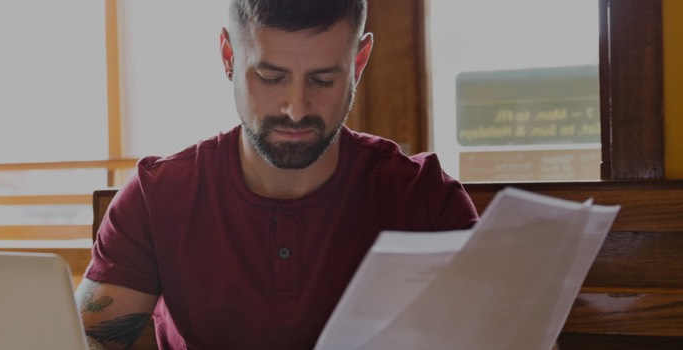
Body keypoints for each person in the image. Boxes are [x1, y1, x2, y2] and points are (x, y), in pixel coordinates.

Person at [77, 0, 479, 349]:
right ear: (228, 56)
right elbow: (85, 340)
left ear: (358, 62)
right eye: (271, 77)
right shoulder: (158, 197)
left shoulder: (425, 197)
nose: (296, 108)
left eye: (324, 79)